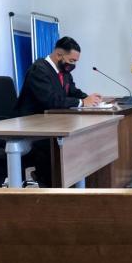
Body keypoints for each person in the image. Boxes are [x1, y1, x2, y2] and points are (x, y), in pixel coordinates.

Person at [15, 36, 102, 186]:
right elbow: (50, 101)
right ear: (59, 54)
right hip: (34, 128)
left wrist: (90, 99)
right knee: (57, 149)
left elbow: (73, 91)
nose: (73, 65)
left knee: (76, 142)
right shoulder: (39, 70)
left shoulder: (64, 71)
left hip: (52, 125)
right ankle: (50, 185)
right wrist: (82, 102)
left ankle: (71, 186)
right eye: (72, 60)